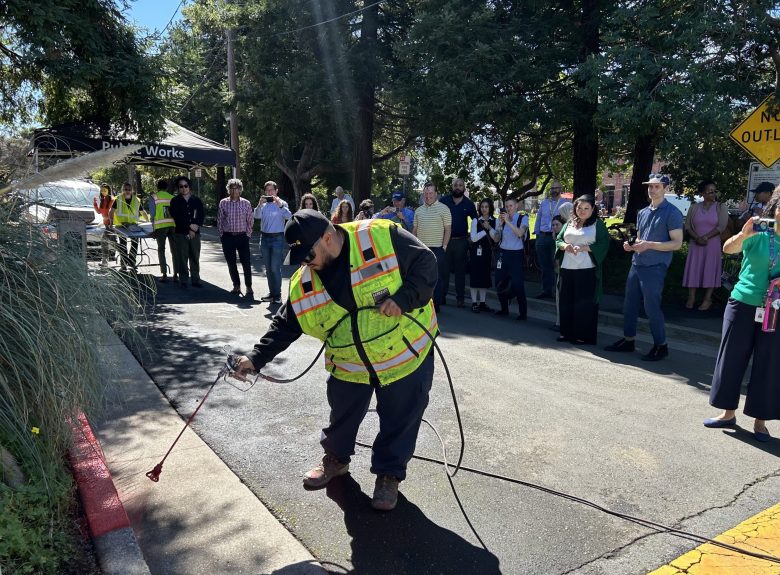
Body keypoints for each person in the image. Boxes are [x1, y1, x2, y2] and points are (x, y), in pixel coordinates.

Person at [232, 210, 439, 511]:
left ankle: (388, 475)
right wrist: (255, 358)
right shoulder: (305, 283)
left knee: (401, 416)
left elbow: (426, 263)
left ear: (327, 238)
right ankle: (336, 460)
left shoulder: (379, 236)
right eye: (300, 257)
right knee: (341, 415)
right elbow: (287, 323)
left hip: (403, 353)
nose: (305, 262)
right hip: (349, 363)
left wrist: (405, 298)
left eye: (309, 253)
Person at [703, 188, 780, 442]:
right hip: (743, 302)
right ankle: (728, 413)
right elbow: (728, 248)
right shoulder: (758, 232)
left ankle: (761, 422)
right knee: (731, 359)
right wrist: (743, 233)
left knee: (769, 364)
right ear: (775, 208)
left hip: (775, 309)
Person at [604, 174, 684, 361]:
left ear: (665, 188)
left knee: (651, 307)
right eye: (650, 186)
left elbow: (677, 244)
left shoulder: (672, 213)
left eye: (657, 186)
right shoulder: (642, 212)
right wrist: (631, 245)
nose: (652, 190)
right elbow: (640, 239)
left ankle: (661, 345)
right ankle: (628, 339)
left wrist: (649, 245)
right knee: (629, 305)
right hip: (637, 264)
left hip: (655, 266)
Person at [555, 195, 609, 344]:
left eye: (586, 208)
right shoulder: (569, 224)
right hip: (567, 268)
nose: (582, 211)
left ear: (593, 209)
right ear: (575, 208)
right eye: (579, 207)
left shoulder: (597, 225)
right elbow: (559, 239)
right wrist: (565, 246)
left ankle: (583, 335)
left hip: (586, 270)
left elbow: (604, 243)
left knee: (583, 303)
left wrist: (586, 247)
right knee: (566, 302)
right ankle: (566, 333)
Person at [682, 180, 729, 311]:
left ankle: (707, 299)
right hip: (695, 243)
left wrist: (706, 237)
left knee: (710, 269)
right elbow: (687, 226)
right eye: (710, 191)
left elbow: (721, 226)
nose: (713, 194)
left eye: (714, 191)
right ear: (702, 193)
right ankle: (691, 297)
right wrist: (697, 238)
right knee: (694, 268)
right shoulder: (694, 207)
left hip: (712, 244)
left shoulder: (721, 207)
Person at [413, 182, 452, 312]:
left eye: (430, 193)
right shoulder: (418, 211)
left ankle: (436, 305)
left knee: (437, 277)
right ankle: (423, 303)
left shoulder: (444, 209)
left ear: (436, 194)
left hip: (438, 248)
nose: (428, 195)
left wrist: (444, 247)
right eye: (426, 193)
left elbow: (448, 229)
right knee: (421, 276)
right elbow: (415, 229)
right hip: (422, 249)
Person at [440, 178, 478, 307]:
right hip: (445, 241)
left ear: (464, 188)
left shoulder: (469, 204)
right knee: (443, 271)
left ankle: (460, 298)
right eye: (455, 185)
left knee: (460, 272)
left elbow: (476, 221)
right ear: (452, 187)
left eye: (460, 185)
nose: (457, 187)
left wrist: (472, 237)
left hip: (461, 242)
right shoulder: (443, 201)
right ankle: (442, 296)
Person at [254, 180, 291, 304]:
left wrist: (280, 205)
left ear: (276, 191)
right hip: (264, 238)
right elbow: (256, 216)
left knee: (275, 268)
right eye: (267, 190)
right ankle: (272, 293)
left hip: (277, 238)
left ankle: (278, 295)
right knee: (268, 268)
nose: (270, 192)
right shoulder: (263, 205)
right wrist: (259, 204)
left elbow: (289, 216)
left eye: (272, 190)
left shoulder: (282, 203)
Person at [217, 178, 254, 296]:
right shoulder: (223, 202)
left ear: (240, 190)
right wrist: (222, 234)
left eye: (237, 188)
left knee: (246, 263)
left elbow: (250, 221)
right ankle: (236, 286)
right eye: (232, 188)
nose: (234, 191)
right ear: (229, 190)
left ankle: (249, 287)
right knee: (231, 263)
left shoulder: (246, 203)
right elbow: (220, 220)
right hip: (228, 237)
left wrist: (248, 235)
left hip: (242, 236)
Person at [494, 197, 529, 320]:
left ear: (516, 206)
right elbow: (496, 239)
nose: (508, 208)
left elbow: (520, 233)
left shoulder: (523, 218)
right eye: (507, 206)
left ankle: (523, 313)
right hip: (503, 253)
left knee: (518, 284)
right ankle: (504, 309)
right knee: (498, 281)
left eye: (511, 206)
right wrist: (499, 226)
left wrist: (508, 222)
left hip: (516, 254)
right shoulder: (502, 220)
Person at [170, 176, 205, 289]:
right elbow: (177, 217)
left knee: (195, 256)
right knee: (182, 257)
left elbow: (201, 215)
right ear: (178, 188)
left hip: (195, 233)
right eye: (181, 186)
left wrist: (195, 227)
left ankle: (195, 279)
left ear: (189, 187)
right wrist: (189, 227)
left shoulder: (196, 200)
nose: (184, 188)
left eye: (186, 186)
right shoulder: (175, 201)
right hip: (181, 233)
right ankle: (183, 280)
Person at [533, 181, 567, 299]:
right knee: (544, 265)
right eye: (552, 188)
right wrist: (537, 234)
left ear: (560, 189)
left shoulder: (565, 203)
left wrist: (562, 235)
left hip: (557, 237)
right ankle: (546, 290)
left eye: (556, 188)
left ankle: (559, 291)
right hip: (542, 236)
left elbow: (568, 221)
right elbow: (538, 218)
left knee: (557, 264)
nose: (554, 190)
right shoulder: (544, 203)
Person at [469, 198, 498, 312]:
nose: (484, 209)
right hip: (476, 252)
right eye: (482, 207)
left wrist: (489, 228)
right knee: (475, 277)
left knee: (484, 277)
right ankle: (474, 302)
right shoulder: (476, 220)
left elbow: (496, 238)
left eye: (486, 207)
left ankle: (482, 302)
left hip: (487, 252)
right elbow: (473, 238)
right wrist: (484, 231)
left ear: (490, 208)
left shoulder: (494, 221)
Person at [148, 178, 177, 283]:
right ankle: (175, 275)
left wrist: (154, 228)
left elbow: (152, 214)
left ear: (157, 187)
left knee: (161, 250)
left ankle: (164, 274)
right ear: (167, 187)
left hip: (160, 227)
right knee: (174, 250)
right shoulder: (172, 197)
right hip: (173, 226)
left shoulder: (154, 197)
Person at [552, 203, 574, 331]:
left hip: (567, 266)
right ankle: (560, 321)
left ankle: (561, 322)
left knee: (561, 295)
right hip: (562, 266)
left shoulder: (569, 229)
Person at [109, 182, 140, 272]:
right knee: (123, 244)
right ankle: (123, 264)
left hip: (133, 226)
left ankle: (131, 262)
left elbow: (142, 211)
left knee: (135, 242)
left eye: (129, 190)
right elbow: (111, 211)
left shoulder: (136, 200)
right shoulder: (118, 199)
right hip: (121, 226)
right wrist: (111, 222)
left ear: (132, 190)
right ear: (123, 190)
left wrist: (148, 221)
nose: (127, 191)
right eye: (126, 189)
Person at [93, 183, 114, 266]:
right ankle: (105, 260)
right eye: (101, 190)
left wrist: (107, 219)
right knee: (109, 242)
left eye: (104, 190)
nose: (103, 192)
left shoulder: (111, 200)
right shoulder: (103, 199)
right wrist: (95, 203)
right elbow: (99, 212)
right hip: (107, 225)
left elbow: (112, 212)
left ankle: (105, 261)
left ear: (108, 191)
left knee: (106, 241)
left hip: (111, 225)